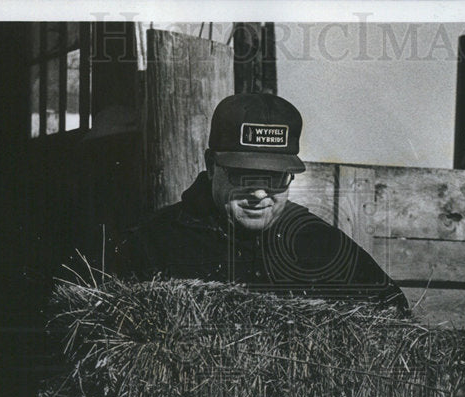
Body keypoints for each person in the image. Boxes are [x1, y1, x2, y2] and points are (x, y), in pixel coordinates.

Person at [111, 93, 408, 311]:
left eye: (275, 178)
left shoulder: (322, 245)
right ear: (211, 165)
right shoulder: (151, 244)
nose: (259, 194)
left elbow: (394, 315)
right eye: (243, 175)